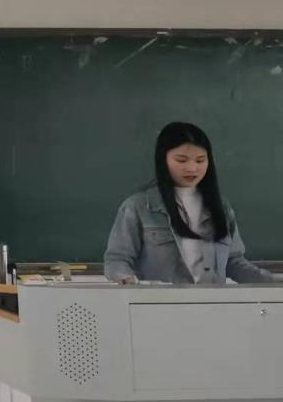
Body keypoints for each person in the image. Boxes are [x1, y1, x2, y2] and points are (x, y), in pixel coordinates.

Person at [104, 122, 276, 285]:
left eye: (200, 160)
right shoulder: (138, 206)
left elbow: (234, 262)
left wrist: (272, 280)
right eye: (181, 160)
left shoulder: (221, 206)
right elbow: (117, 259)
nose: (192, 168)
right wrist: (124, 277)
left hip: (214, 302)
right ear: (163, 159)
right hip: (160, 302)